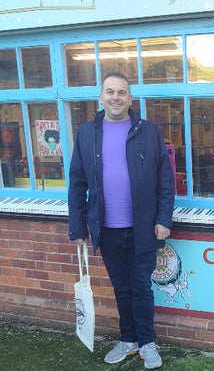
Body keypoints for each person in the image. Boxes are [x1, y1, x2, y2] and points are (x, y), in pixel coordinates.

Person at [68, 72, 175, 369]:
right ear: (101, 97)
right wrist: (78, 227)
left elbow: (165, 181)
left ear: (130, 99)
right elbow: (77, 182)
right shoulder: (87, 133)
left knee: (140, 286)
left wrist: (163, 218)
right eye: (110, 92)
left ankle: (147, 342)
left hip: (143, 228)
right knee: (121, 288)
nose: (116, 97)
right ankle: (128, 339)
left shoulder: (149, 132)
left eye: (122, 92)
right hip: (107, 228)